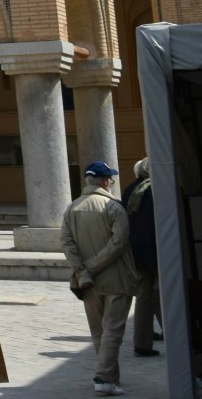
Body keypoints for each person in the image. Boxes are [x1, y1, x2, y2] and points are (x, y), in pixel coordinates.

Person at [63, 160, 137, 395]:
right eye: (110, 179)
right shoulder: (114, 207)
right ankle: (104, 377)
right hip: (115, 278)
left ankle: (110, 377)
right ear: (105, 181)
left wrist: (83, 271)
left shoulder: (72, 208)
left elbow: (67, 244)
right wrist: (92, 267)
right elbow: (118, 243)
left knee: (99, 332)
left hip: (88, 283)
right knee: (113, 330)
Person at [121, 157, 160, 358]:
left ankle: (142, 344)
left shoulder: (129, 190)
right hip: (157, 251)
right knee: (166, 296)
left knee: (144, 298)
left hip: (135, 253)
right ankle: (178, 337)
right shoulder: (157, 189)